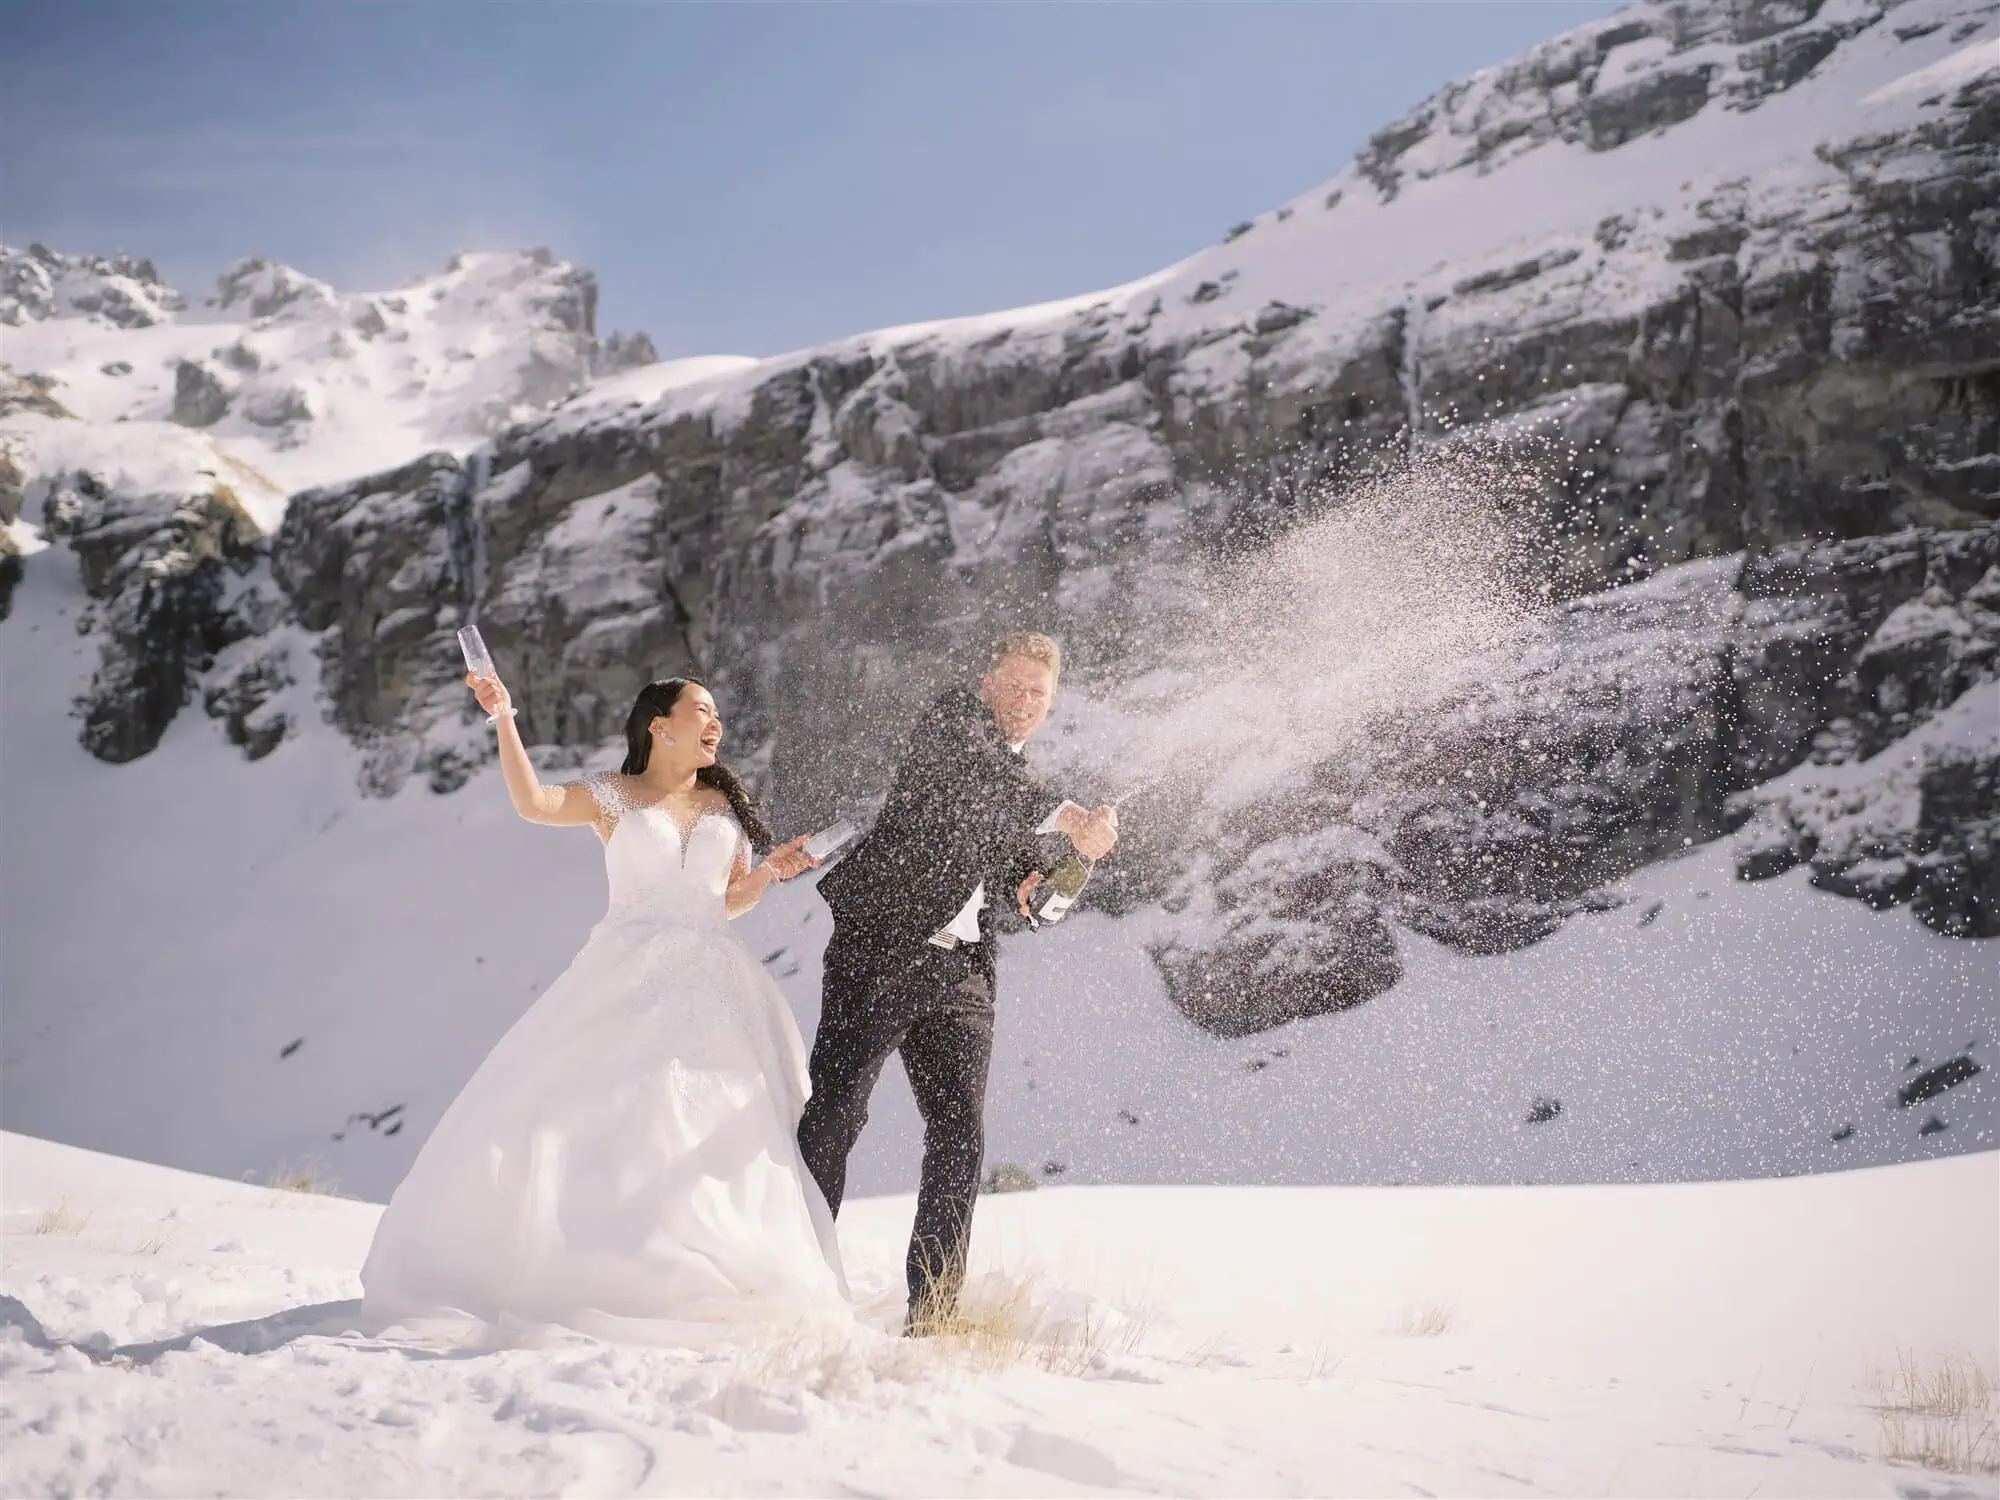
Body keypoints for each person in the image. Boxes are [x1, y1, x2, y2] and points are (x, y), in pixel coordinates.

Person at [360, 671, 848, 1344]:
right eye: (701, 710)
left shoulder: (722, 805)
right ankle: (608, 1268)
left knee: (713, 1127)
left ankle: (700, 1271)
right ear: (659, 724)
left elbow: (725, 901)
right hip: (627, 973)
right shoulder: (613, 795)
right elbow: (533, 803)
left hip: (715, 984)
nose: (716, 723)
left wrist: (768, 873)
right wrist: (504, 715)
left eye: (718, 714)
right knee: (611, 1119)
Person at [799, 632, 1117, 1332]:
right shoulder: (951, 725)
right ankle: (800, 1289)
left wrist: (1064, 872)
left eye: (1040, 693)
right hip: (881, 949)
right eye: (1015, 684)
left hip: (963, 970)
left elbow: (1028, 902)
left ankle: (933, 1313)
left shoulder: (1021, 787)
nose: (1025, 701)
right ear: (986, 682)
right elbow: (989, 784)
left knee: (959, 1136)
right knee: (836, 1114)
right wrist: (1070, 818)